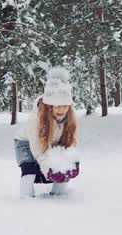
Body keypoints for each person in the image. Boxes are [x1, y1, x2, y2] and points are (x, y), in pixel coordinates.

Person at [14, 67, 79, 198]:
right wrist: (47, 170)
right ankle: (26, 199)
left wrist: (73, 162)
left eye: (65, 105)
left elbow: (72, 142)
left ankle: (58, 195)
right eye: (57, 106)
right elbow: (39, 149)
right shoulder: (37, 120)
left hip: (51, 143)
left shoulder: (71, 118)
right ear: (50, 105)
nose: (62, 110)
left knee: (62, 169)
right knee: (29, 170)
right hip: (26, 143)